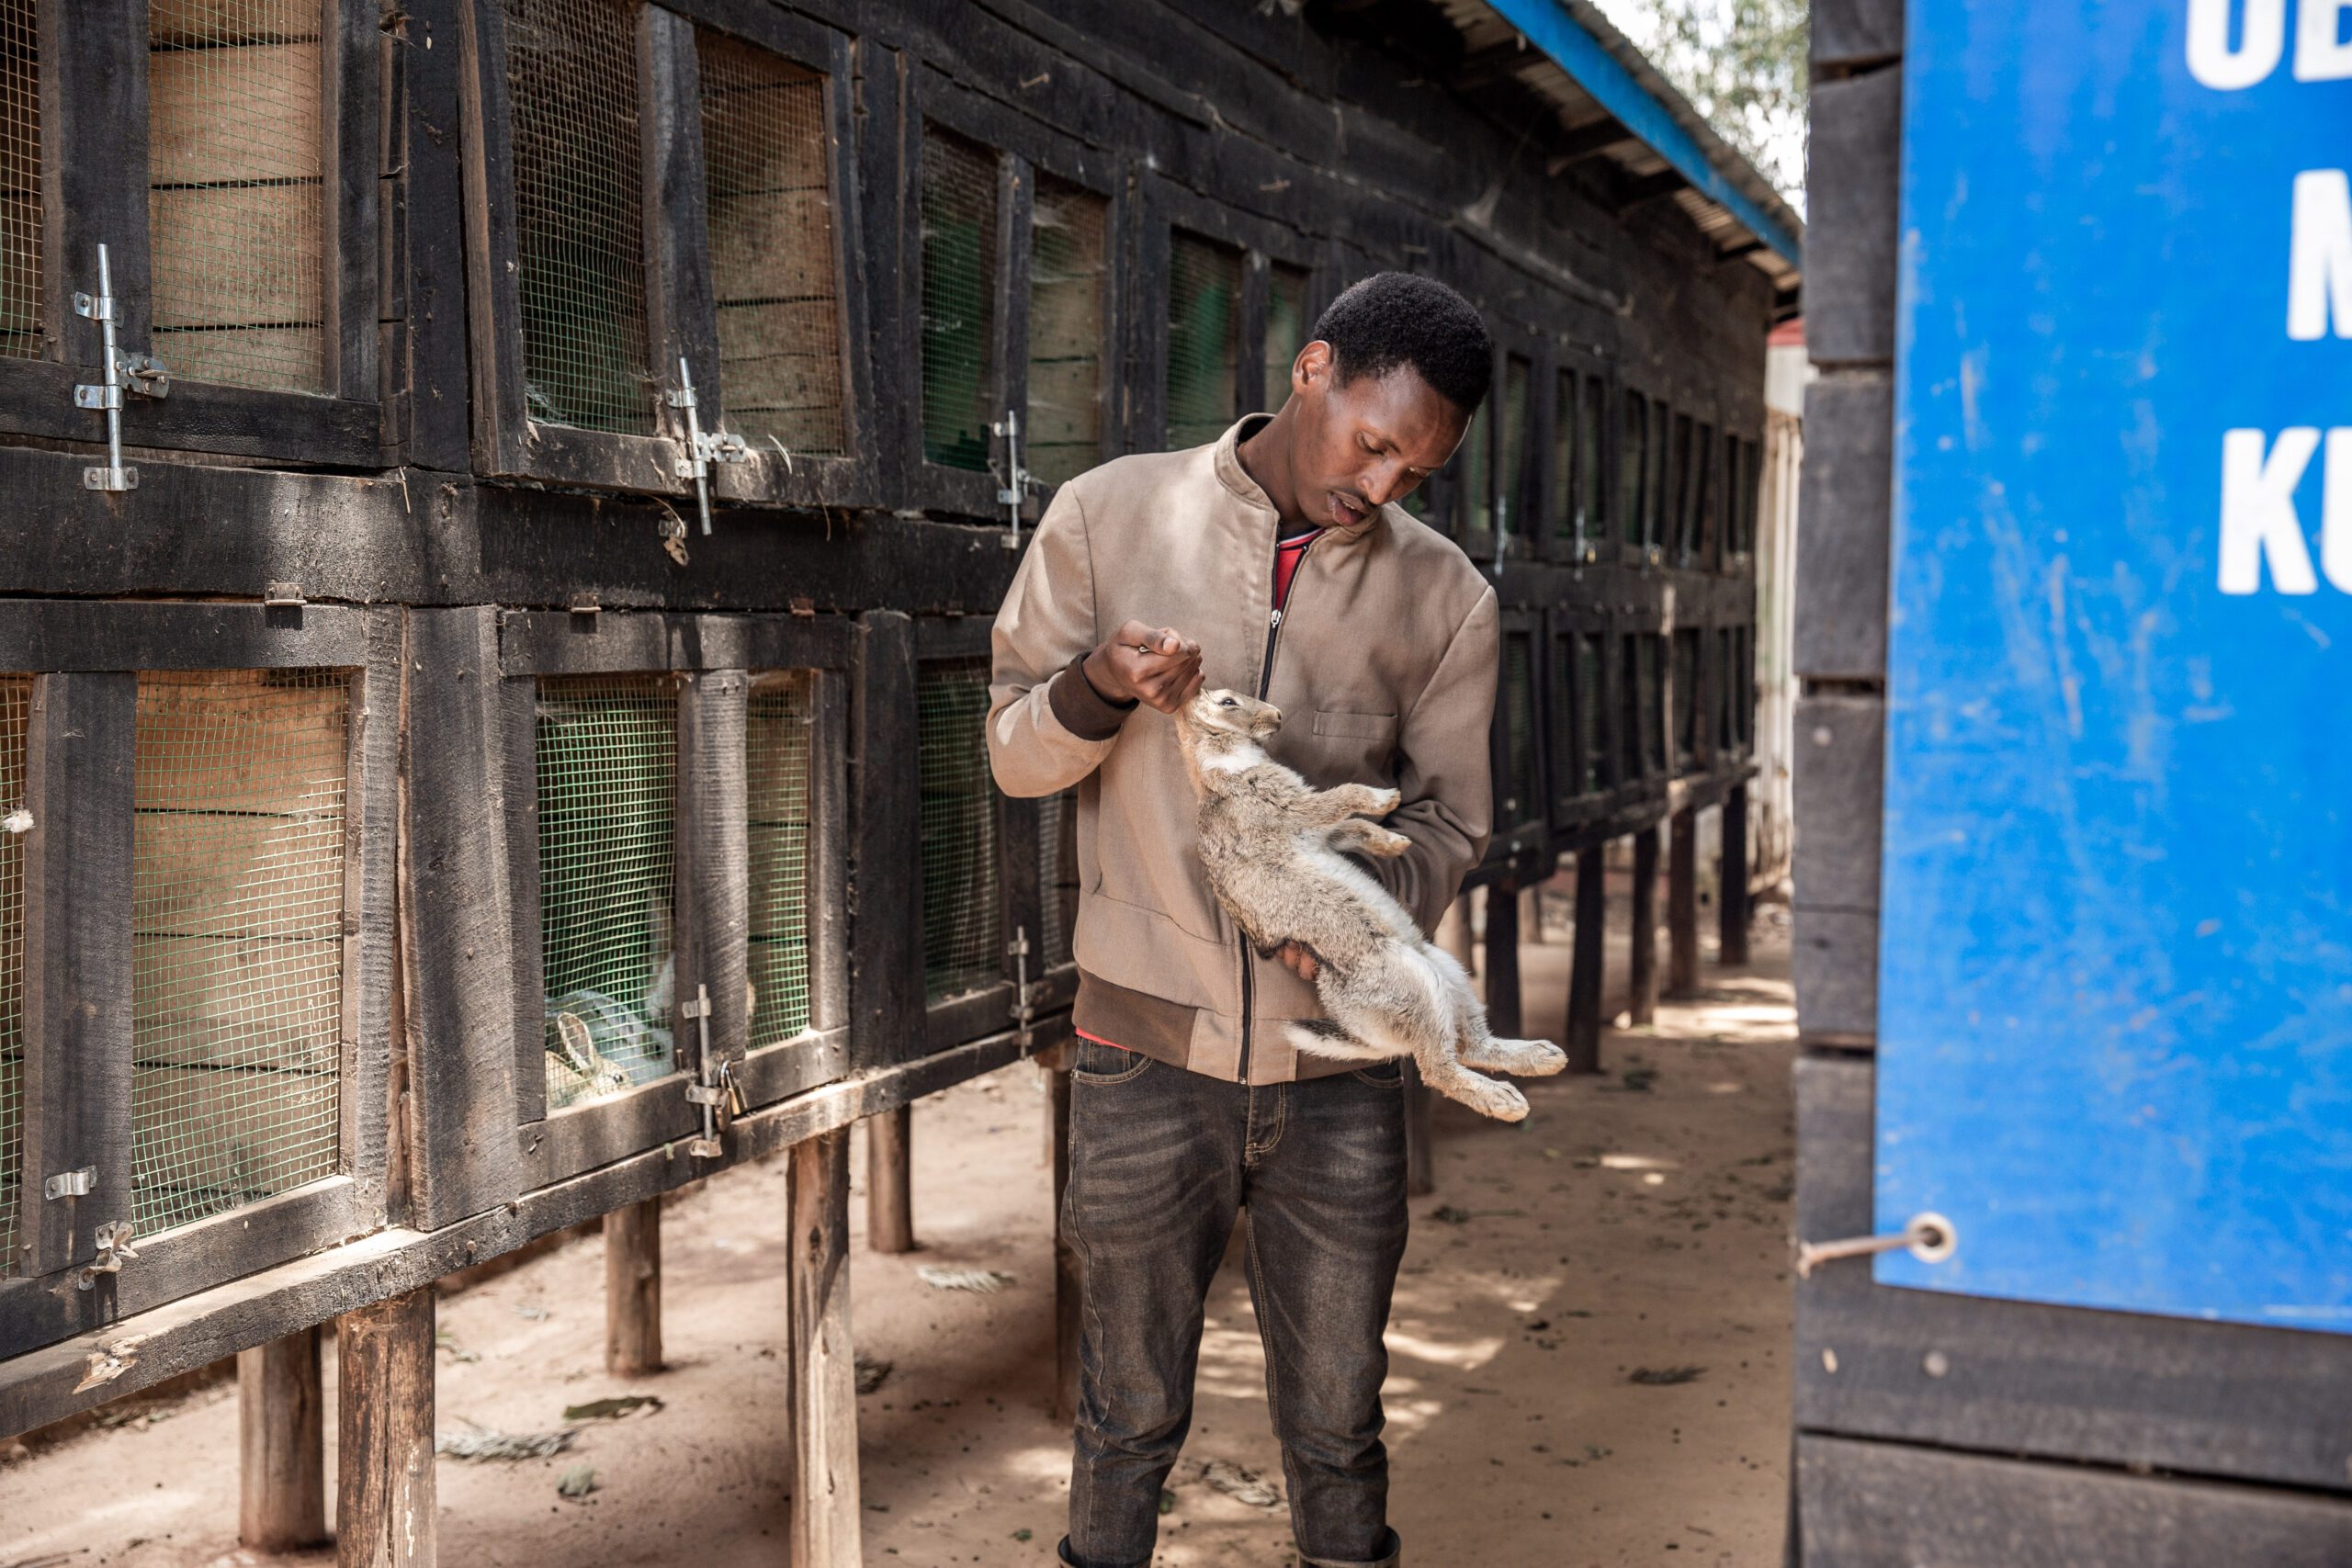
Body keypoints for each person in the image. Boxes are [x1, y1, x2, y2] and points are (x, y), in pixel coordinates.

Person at [987, 270, 1499, 1568]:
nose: (1379, 489)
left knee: (1337, 1422)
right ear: (1313, 368)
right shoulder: (1107, 517)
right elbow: (1012, 755)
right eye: (1374, 444)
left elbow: (1448, 822)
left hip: (1338, 1072)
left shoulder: (1446, 600)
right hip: (1140, 1054)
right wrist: (1099, 686)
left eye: (1413, 474)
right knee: (1126, 1414)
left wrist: (1349, 923)